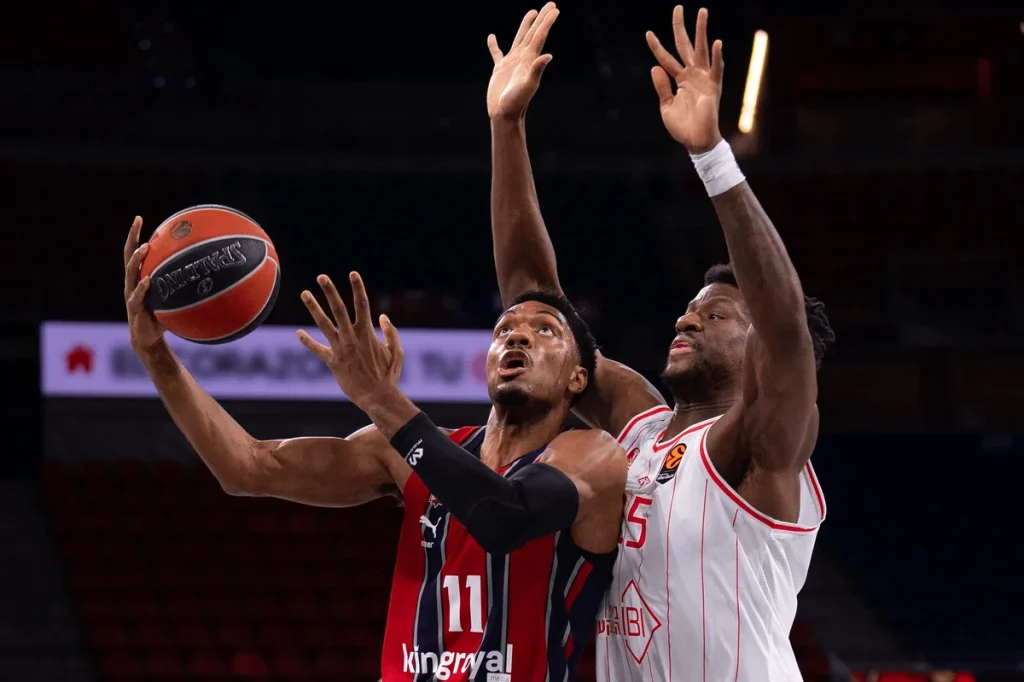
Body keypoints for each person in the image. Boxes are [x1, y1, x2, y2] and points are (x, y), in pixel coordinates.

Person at [487, 4, 836, 680]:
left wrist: (710, 158)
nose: (688, 320)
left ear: (759, 350)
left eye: (717, 315)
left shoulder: (763, 450)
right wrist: (507, 126)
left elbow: (788, 331)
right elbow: (535, 302)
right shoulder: (638, 427)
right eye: (688, 309)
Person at [122, 216, 626, 681]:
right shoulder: (406, 452)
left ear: (578, 377)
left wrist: (381, 401)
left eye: (545, 331)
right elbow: (248, 467)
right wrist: (155, 355)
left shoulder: (592, 456)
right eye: (504, 330)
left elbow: (504, 516)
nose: (518, 337)